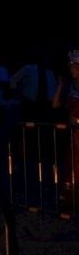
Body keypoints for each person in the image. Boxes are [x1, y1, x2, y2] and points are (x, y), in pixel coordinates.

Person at [52, 50, 79, 198]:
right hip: (72, 135)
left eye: (73, 67)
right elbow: (55, 105)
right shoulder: (70, 87)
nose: (71, 70)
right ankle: (70, 197)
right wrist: (60, 86)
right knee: (71, 165)